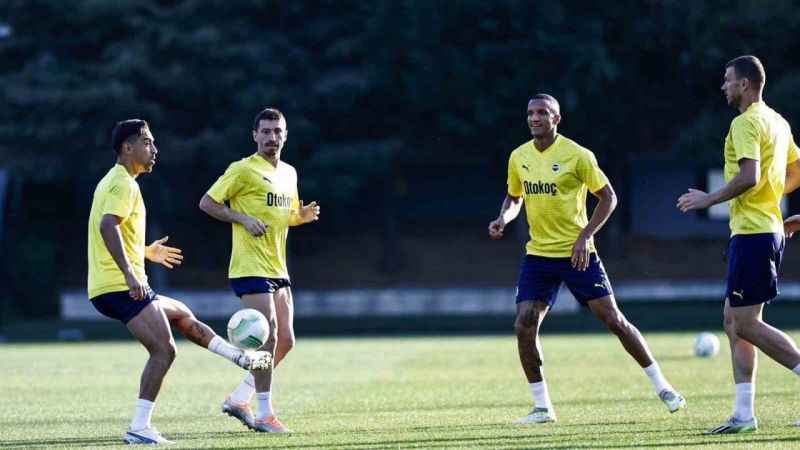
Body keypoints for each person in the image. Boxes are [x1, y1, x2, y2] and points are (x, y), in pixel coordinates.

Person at [489, 94, 685, 424]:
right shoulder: (518, 156)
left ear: (557, 119)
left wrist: (585, 236)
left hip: (577, 254)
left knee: (613, 320)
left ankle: (664, 387)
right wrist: (503, 219)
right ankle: (542, 408)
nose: (535, 118)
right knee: (524, 324)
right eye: (530, 113)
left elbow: (608, 197)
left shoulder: (577, 155)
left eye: (543, 113)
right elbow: (513, 197)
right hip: (538, 256)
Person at [88, 119, 272, 445]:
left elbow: (113, 231)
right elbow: (107, 227)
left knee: (182, 315)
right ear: (127, 148)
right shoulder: (122, 184)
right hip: (119, 285)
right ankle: (139, 427)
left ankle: (239, 357)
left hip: (118, 282)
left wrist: (144, 252)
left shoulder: (116, 181)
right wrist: (131, 275)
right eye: (147, 143)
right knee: (164, 350)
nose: (154, 149)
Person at [678, 55, 800, 434]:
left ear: (745, 84)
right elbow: (795, 170)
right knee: (733, 321)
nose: (723, 86)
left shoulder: (745, 122)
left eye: (727, 80)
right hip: (760, 229)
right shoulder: (777, 121)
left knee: (746, 323)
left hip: (754, 234)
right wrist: (772, 203)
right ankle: (744, 414)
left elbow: (749, 176)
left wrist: (708, 199)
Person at [199, 107, 320, 433]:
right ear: (255, 135)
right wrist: (242, 218)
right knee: (267, 339)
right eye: (265, 131)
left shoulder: (290, 173)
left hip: (278, 268)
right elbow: (207, 203)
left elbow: (288, 214)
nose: (271, 137)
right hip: (249, 267)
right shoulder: (242, 170)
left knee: (287, 341)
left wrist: (301, 217)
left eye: (277, 131)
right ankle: (265, 415)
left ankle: (240, 397)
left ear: (285, 135)